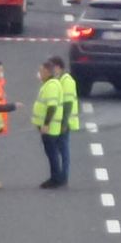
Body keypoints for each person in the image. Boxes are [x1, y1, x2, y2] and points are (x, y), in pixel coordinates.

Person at [48, 56, 80, 186]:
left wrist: (64, 123)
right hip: (58, 122)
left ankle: (64, 176)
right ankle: (60, 175)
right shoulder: (57, 80)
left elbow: (67, 104)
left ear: (59, 67)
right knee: (59, 149)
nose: (51, 70)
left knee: (63, 150)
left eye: (53, 67)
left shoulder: (67, 81)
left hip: (64, 122)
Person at [32, 60, 64, 188]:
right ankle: (56, 177)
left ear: (47, 71)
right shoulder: (49, 84)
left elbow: (52, 107)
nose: (39, 73)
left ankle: (55, 178)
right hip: (51, 126)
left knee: (52, 153)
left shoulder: (51, 86)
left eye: (41, 71)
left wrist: (46, 124)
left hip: (50, 127)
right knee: (52, 152)